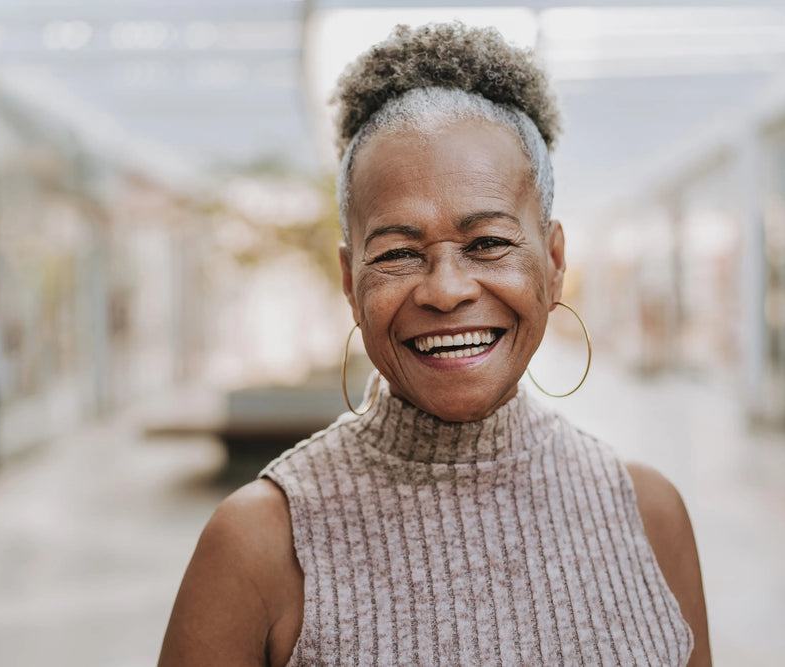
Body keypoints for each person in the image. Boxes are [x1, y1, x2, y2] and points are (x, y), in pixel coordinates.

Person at [159, 22, 710, 666]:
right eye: (398, 252)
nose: (446, 290)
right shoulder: (258, 543)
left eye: (489, 243)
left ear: (555, 260)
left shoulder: (647, 517)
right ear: (349, 280)